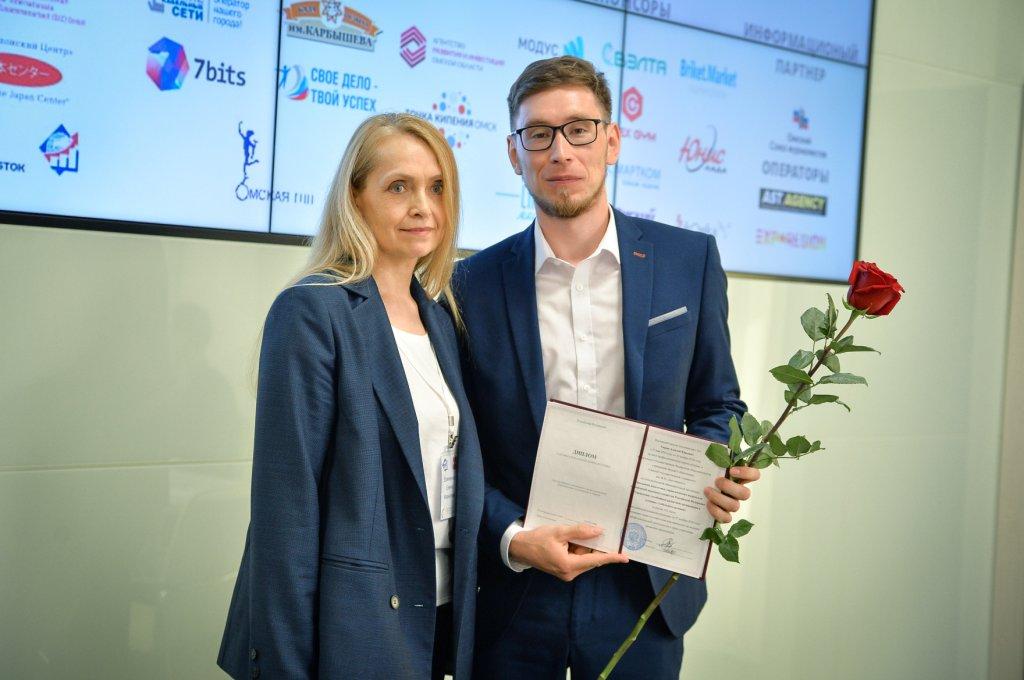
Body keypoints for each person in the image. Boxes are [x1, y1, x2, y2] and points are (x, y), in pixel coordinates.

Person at [452, 56, 759, 679]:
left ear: (612, 141)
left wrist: (714, 470)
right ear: (514, 154)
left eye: (579, 129)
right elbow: (456, 446)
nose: (560, 151)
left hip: (643, 584)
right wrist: (511, 536)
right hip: (517, 591)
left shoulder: (689, 260)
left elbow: (718, 404)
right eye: (538, 134)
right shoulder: (469, 285)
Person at [218, 113, 484, 680]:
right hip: (353, 630)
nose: (424, 207)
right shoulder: (312, 311)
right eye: (399, 187)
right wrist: (286, 668)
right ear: (355, 198)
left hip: (437, 619)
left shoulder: (440, 319)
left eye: (437, 187)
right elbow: (286, 514)